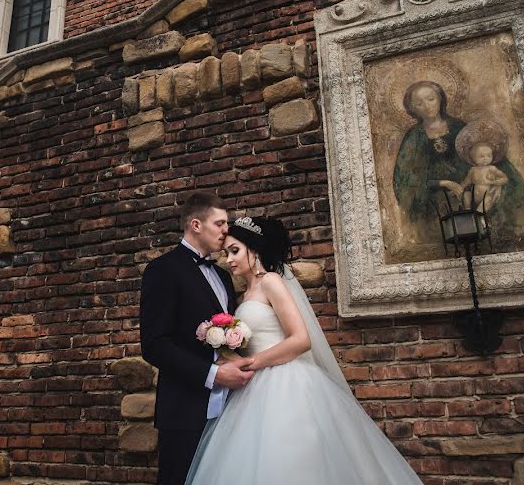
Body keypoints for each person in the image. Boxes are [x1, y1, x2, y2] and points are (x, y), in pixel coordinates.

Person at [185, 216, 423, 485]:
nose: (228, 260)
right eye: (226, 253)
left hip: (287, 382)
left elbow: (300, 340)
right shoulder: (242, 296)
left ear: (254, 249)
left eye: (235, 250)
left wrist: (252, 361)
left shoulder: (271, 281)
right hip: (252, 388)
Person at [140, 192, 255, 485]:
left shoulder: (223, 275)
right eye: (219, 223)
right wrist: (214, 374)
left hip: (230, 408)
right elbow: (154, 344)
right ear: (195, 225)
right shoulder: (162, 270)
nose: (225, 231)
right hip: (184, 408)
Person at [392, 80, 469, 240]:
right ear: (412, 109)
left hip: (467, 189)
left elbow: (476, 159)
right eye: (419, 103)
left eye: (431, 99)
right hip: (431, 199)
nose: (427, 106)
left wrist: (465, 184)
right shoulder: (414, 136)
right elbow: (406, 179)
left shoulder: (458, 126)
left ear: (440, 99)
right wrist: (442, 183)